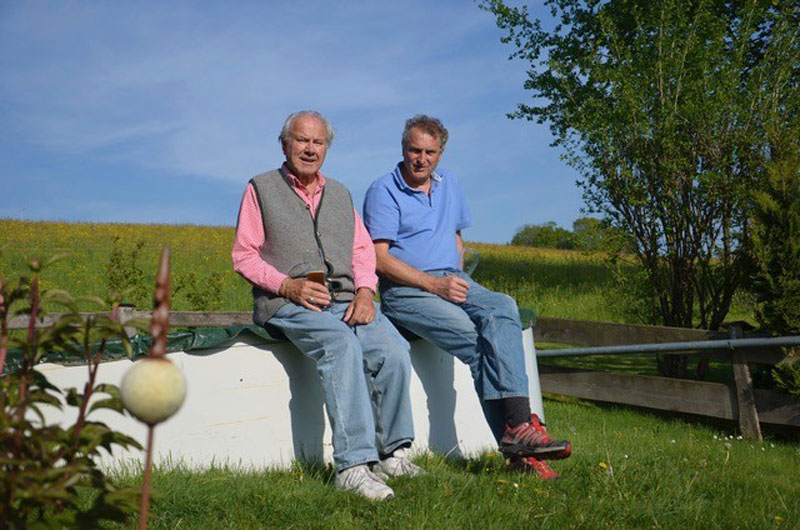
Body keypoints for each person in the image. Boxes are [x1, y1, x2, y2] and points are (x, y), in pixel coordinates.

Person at [362, 115, 572, 480]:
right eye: (414, 150)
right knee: (479, 345)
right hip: (407, 291)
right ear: (403, 148)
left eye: (430, 152)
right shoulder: (383, 190)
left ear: (440, 153)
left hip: (453, 279)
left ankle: (517, 432)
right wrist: (434, 286)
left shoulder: (450, 184)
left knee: (503, 305)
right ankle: (519, 439)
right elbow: (378, 258)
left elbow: (455, 238)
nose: (421, 159)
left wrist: (455, 279)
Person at [232, 110, 423, 501]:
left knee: (393, 348)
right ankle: (352, 467)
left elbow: (362, 251)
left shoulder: (339, 193)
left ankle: (391, 453)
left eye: (318, 142)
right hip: (287, 304)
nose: (310, 149)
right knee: (340, 344)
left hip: (347, 299)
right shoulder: (261, 188)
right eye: (302, 140)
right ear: (285, 144)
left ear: (327, 148)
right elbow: (244, 256)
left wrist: (367, 292)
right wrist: (287, 286)